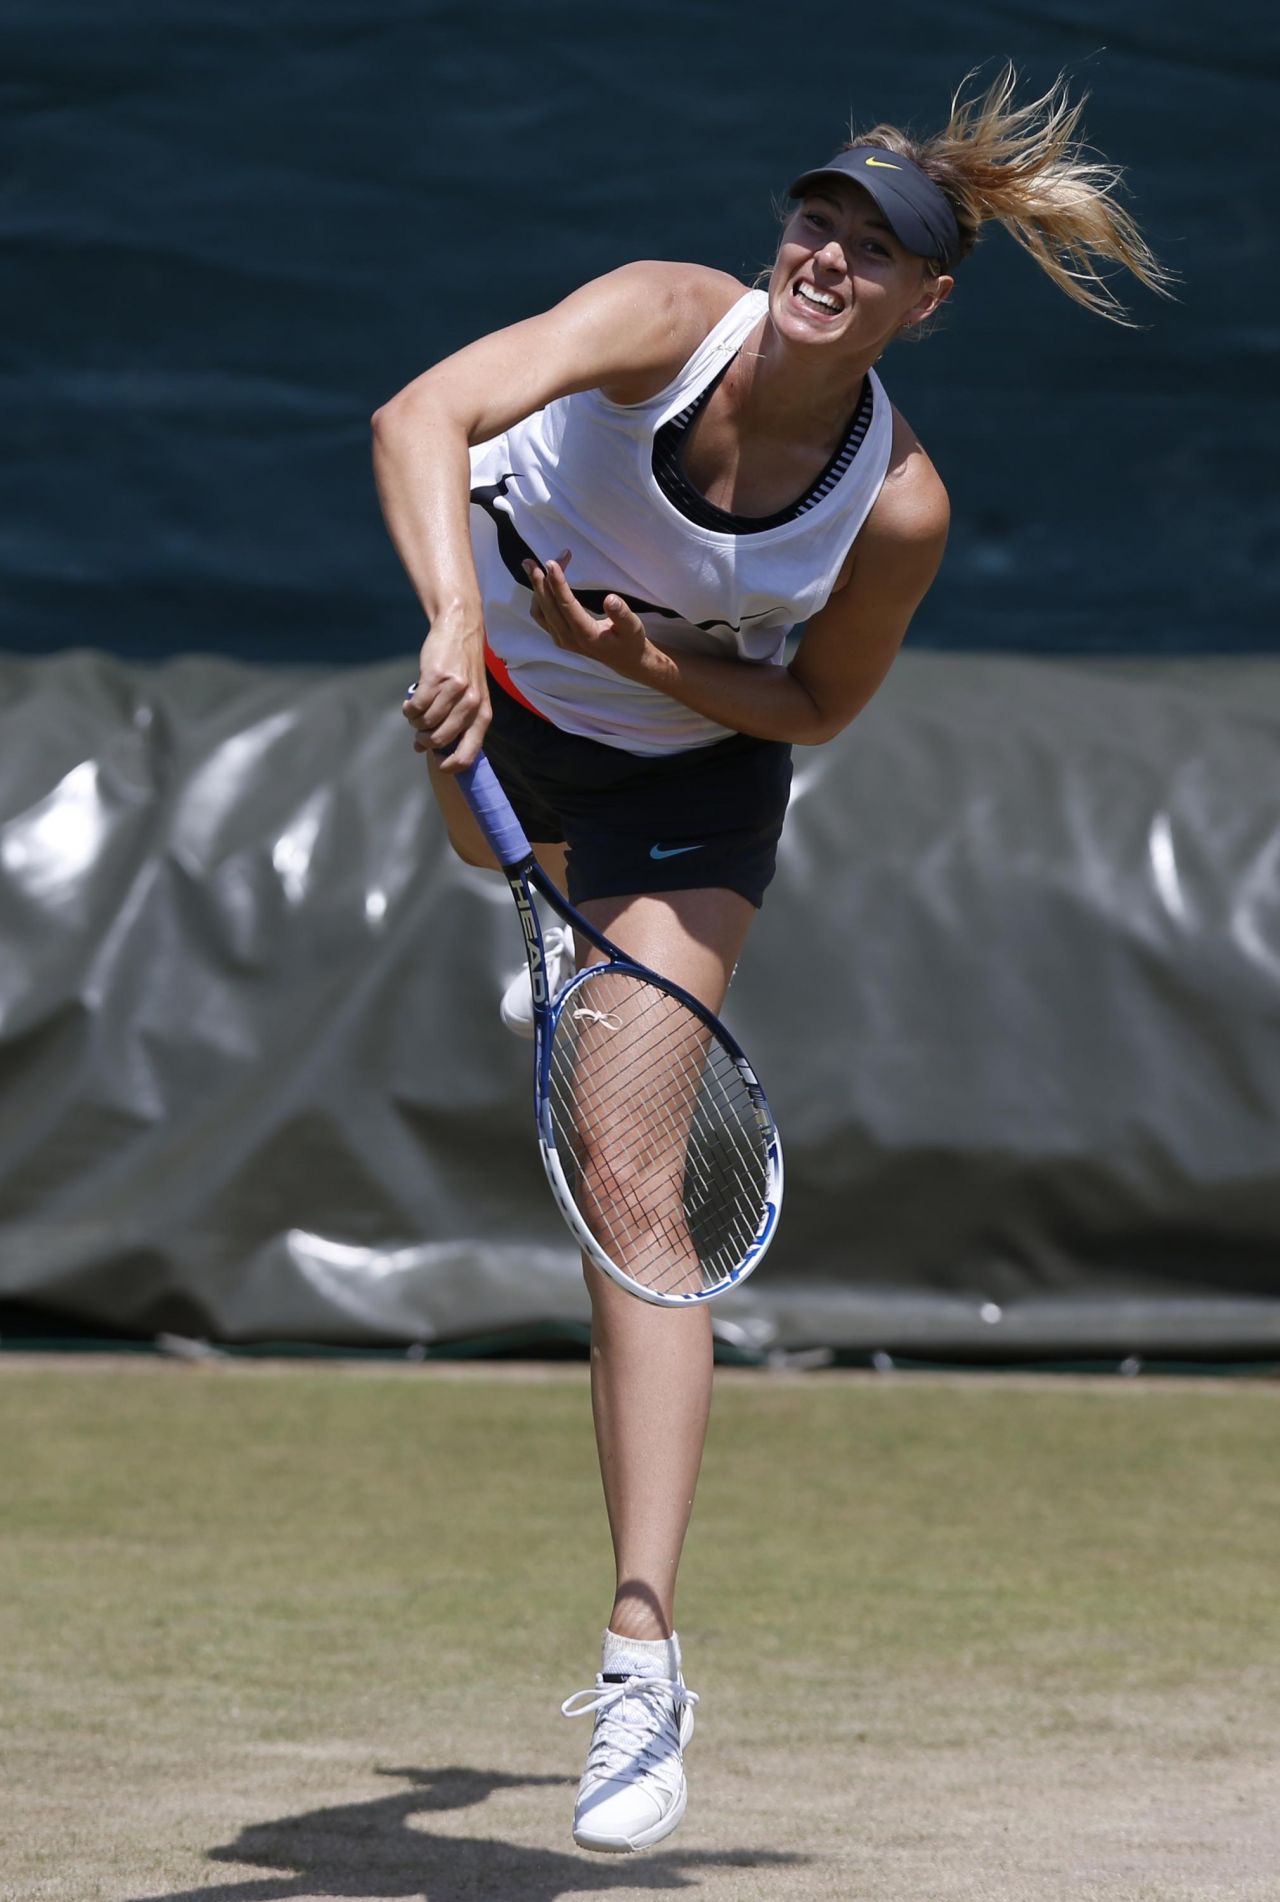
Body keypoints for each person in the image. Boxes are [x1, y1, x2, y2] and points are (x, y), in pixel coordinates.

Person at [373, 65, 1167, 1854]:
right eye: (819, 217)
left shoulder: (894, 510)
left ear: (921, 304)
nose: (827, 252)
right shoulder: (661, 319)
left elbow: (814, 705)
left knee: (629, 1178)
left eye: (872, 248)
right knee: (495, 876)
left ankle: (643, 1651)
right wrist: (450, 619)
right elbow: (419, 414)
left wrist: (652, 663)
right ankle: (572, 973)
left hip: (689, 781)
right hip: (494, 711)